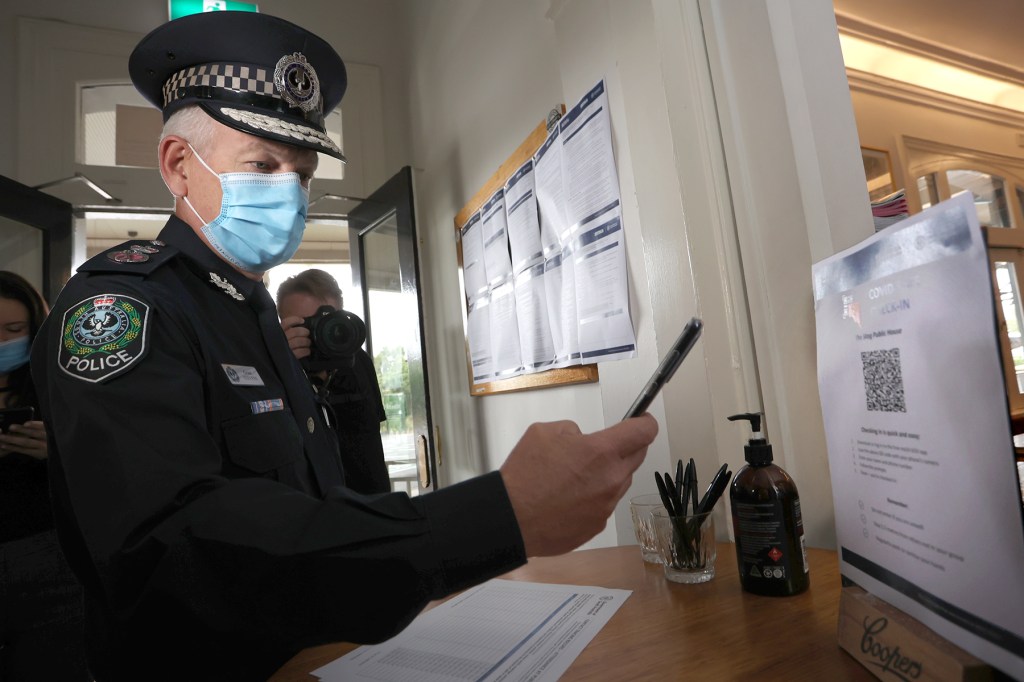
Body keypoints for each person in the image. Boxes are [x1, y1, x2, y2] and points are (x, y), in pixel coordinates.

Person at [31, 11, 657, 681]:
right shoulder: (124, 308)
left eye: (302, 174)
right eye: (262, 164)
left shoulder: (255, 314)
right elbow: (177, 548)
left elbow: (316, 509)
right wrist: (494, 516)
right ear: (179, 165)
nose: (290, 192)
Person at [0, 271, 89, 681]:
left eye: (14, 330)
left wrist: (57, 453)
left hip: (49, 560)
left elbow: (109, 470)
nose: (2, 342)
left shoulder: (63, 383)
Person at [277, 269, 392, 495]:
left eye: (327, 322)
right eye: (306, 325)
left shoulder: (359, 361)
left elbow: (372, 440)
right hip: (310, 507)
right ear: (282, 324)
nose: (317, 334)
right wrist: (282, 364)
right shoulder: (273, 369)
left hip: (369, 502)